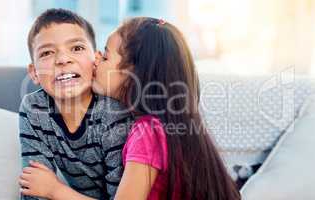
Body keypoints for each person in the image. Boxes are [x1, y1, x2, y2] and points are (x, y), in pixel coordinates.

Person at [21, 17, 241, 200]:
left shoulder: (147, 133)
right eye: (47, 53)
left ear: (132, 73)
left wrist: (55, 190)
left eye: (105, 56)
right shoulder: (160, 126)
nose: (97, 62)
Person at [18, 8, 134, 200]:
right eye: (47, 52)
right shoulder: (33, 108)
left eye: (77, 48)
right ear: (34, 72)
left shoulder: (113, 114)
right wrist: (47, 190)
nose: (63, 60)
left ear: (96, 60)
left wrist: (55, 190)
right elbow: (35, 187)